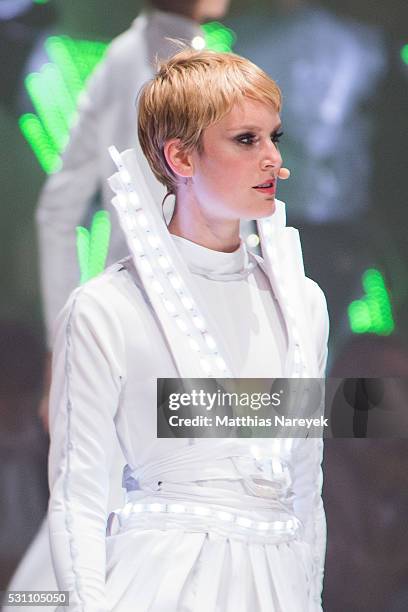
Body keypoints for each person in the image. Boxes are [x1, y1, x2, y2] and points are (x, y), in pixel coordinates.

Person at [48, 49, 329, 611]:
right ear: (181, 156)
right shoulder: (106, 308)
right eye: (246, 140)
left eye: (275, 137)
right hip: (160, 584)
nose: (274, 159)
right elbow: (77, 495)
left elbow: (306, 487)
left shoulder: (304, 303)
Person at [36, 0, 231, 426]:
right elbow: (58, 210)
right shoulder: (137, 63)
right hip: (155, 332)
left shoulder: (199, 60)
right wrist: (65, 342)